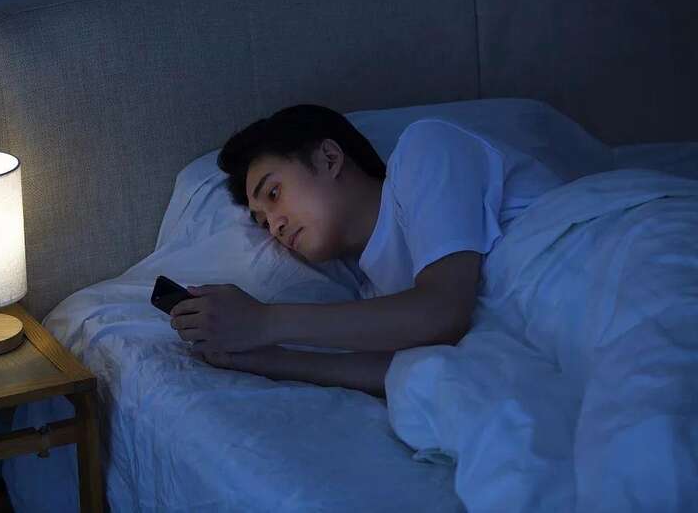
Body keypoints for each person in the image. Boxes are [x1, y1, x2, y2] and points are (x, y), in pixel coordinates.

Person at [169, 104, 563, 397]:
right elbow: (401, 370)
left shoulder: (425, 149)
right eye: (262, 223)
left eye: (274, 194)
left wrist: (265, 321)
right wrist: (265, 359)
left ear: (329, 158)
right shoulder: (374, 295)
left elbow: (442, 311)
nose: (275, 226)